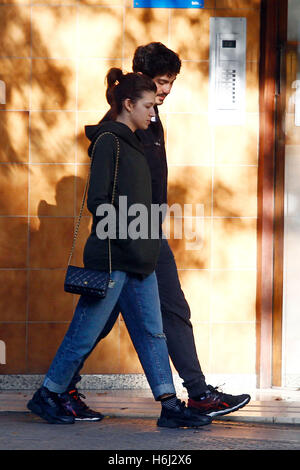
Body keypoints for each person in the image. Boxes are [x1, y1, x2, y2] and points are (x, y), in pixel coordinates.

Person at [57, 43, 251, 422]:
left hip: (147, 233)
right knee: (103, 319)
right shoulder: (120, 125)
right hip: (128, 237)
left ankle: (191, 395)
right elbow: (104, 190)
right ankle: (58, 388)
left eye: (171, 83)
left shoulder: (152, 119)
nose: (165, 92)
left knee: (158, 313)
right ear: (138, 86)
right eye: (161, 83)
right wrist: (131, 228)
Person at [27, 69, 212, 429]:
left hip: (136, 259)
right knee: (84, 333)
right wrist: (131, 233)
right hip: (113, 259)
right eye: (147, 106)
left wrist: (140, 238)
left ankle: (170, 405)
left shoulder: (131, 142)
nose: (152, 113)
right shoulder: (110, 141)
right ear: (128, 105)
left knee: (153, 333)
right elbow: (98, 200)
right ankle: (48, 393)